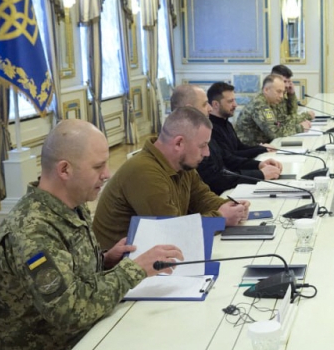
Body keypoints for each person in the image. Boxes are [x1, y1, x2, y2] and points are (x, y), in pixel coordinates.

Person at [0, 120, 183, 350]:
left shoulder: (71, 204)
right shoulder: (32, 231)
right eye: (98, 166)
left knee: (166, 346)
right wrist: (133, 270)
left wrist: (105, 260)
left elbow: (72, 274)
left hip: (84, 341)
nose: (107, 174)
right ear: (64, 170)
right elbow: (70, 311)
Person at [92, 107, 249, 251]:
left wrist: (230, 207)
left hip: (152, 256)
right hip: (121, 265)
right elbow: (172, 232)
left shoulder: (181, 164)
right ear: (179, 143)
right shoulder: (145, 172)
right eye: (202, 145)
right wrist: (220, 218)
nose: (207, 152)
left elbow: (201, 197)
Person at [197, 81, 283, 194]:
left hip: (230, 182)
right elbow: (224, 167)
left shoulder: (226, 123)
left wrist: (260, 160)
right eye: (230, 101)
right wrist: (259, 173)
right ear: (216, 104)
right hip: (225, 187)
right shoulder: (210, 130)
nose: (235, 105)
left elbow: (236, 150)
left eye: (234, 100)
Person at [236, 74, 310, 146]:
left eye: (283, 92)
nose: (281, 96)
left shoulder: (271, 101)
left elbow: (282, 121)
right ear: (266, 90)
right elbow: (274, 133)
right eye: (278, 91)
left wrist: (302, 121)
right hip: (250, 148)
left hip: (264, 145)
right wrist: (300, 128)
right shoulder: (260, 104)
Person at [270, 64, 314, 131]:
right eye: (284, 81)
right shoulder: (268, 98)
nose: (287, 85)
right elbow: (282, 123)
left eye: (289, 82)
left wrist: (291, 94)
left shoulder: (282, 96)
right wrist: (306, 116)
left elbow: (292, 114)